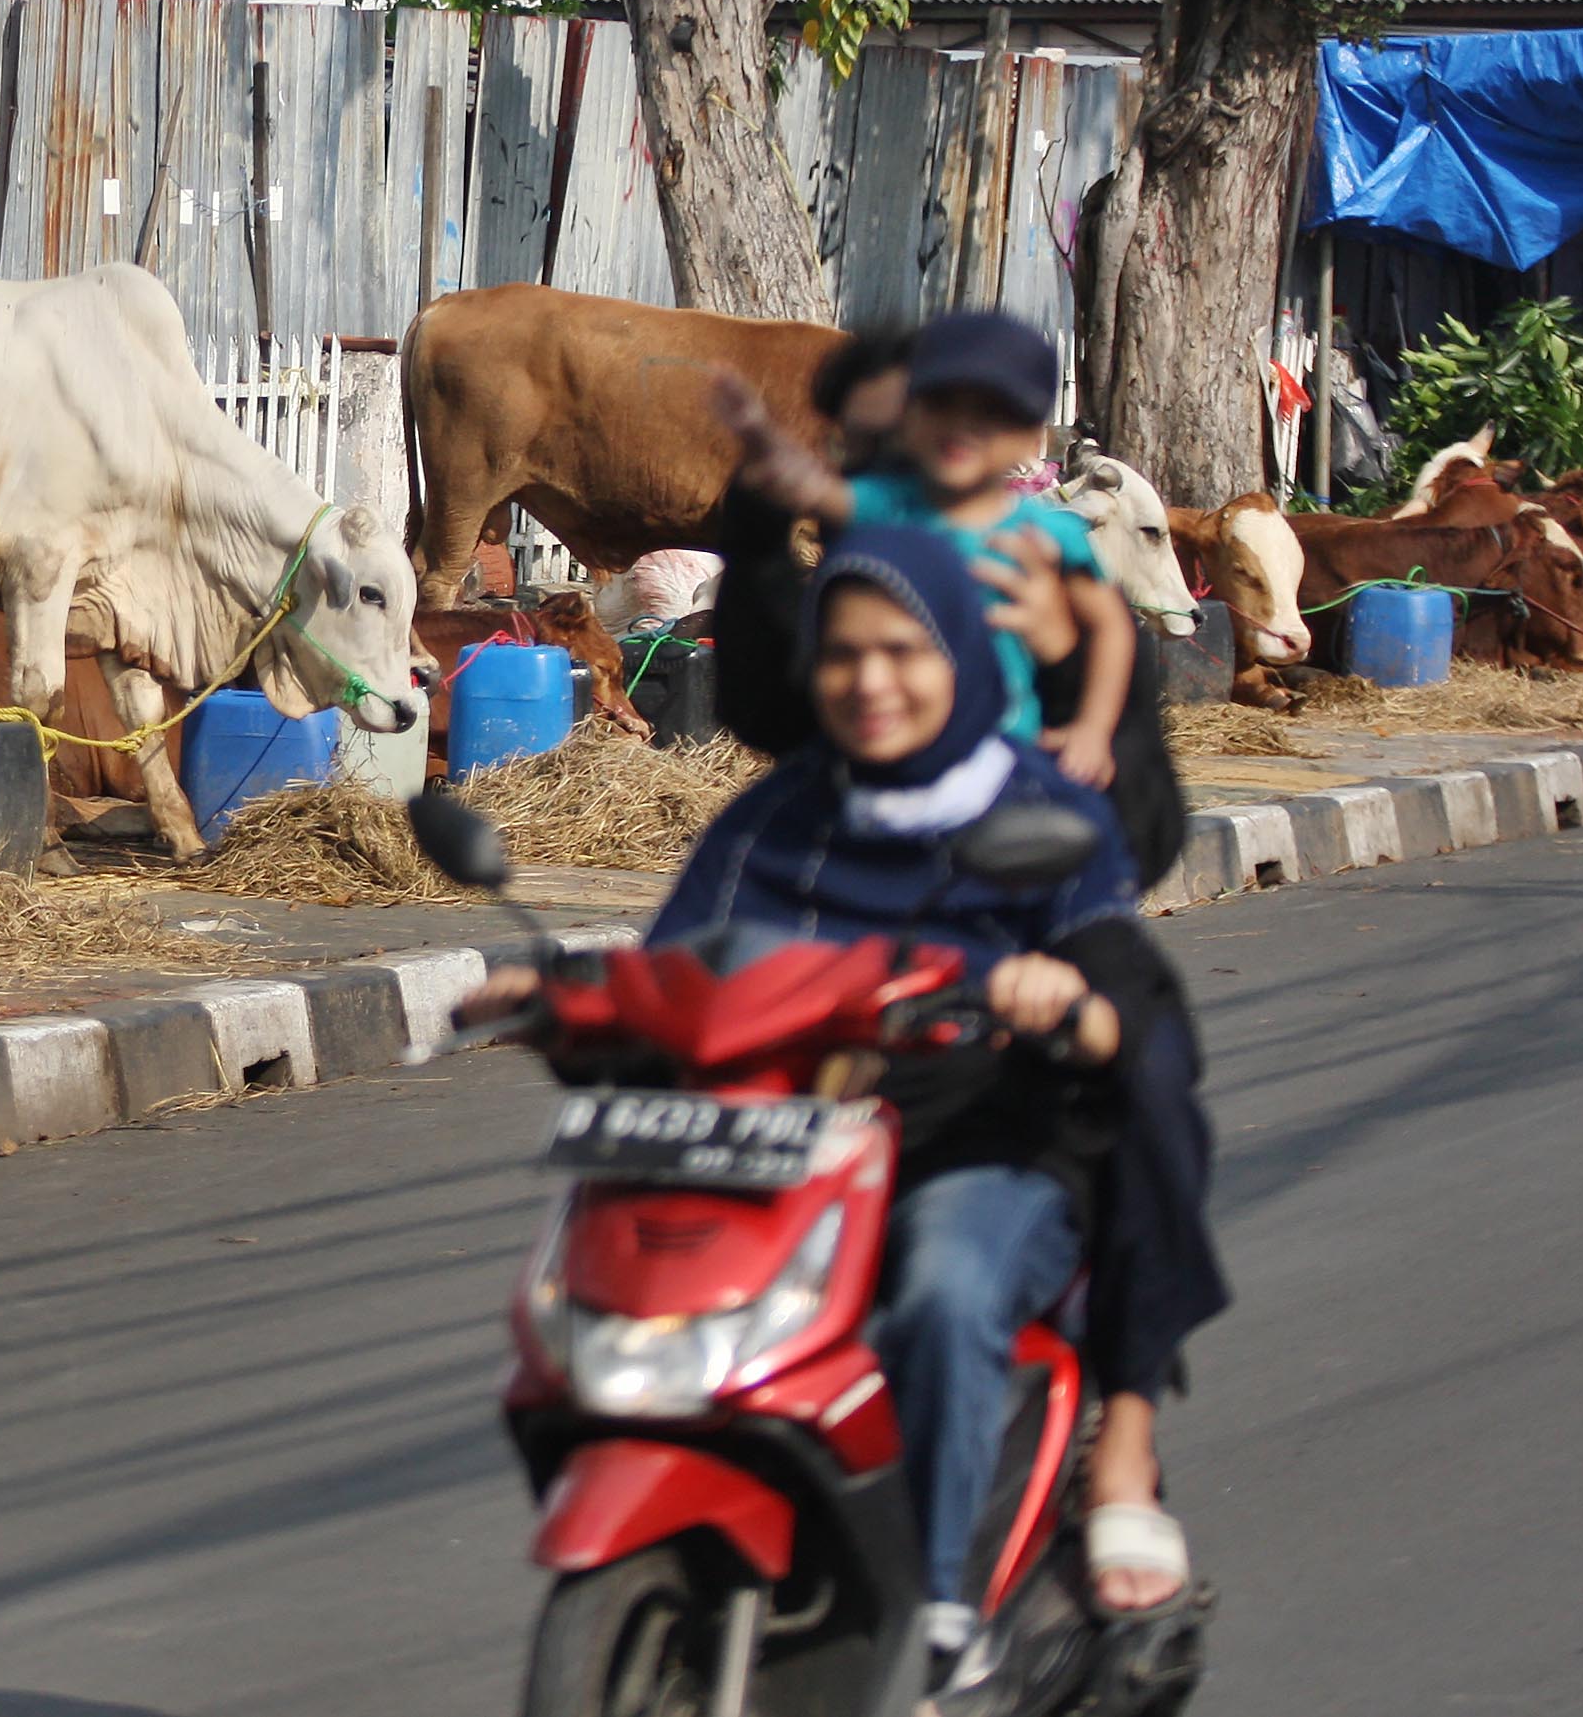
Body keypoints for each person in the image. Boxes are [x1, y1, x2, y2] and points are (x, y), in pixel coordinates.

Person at [461, 525, 1213, 1675]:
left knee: (943, 1292)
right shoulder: (773, 818)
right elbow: (682, 968)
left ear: (958, 659)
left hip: (976, 1145)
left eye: (902, 652)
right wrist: (563, 998)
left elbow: (1109, 968)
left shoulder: (1026, 803)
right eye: (844, 654)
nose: (871, 681)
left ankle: (947, 1613)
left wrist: (1056, 995)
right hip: (782, 1149)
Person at [723, 311, 1137, 792]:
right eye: (941, 406)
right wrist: (758, 434)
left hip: (1001, 753)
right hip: (889, 754)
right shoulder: (885, 504)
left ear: (1031, 437)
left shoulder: (1044, 535)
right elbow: (808, 485)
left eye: (993, 415)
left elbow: (1110, 626)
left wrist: (1093, 728)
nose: (963, 429)